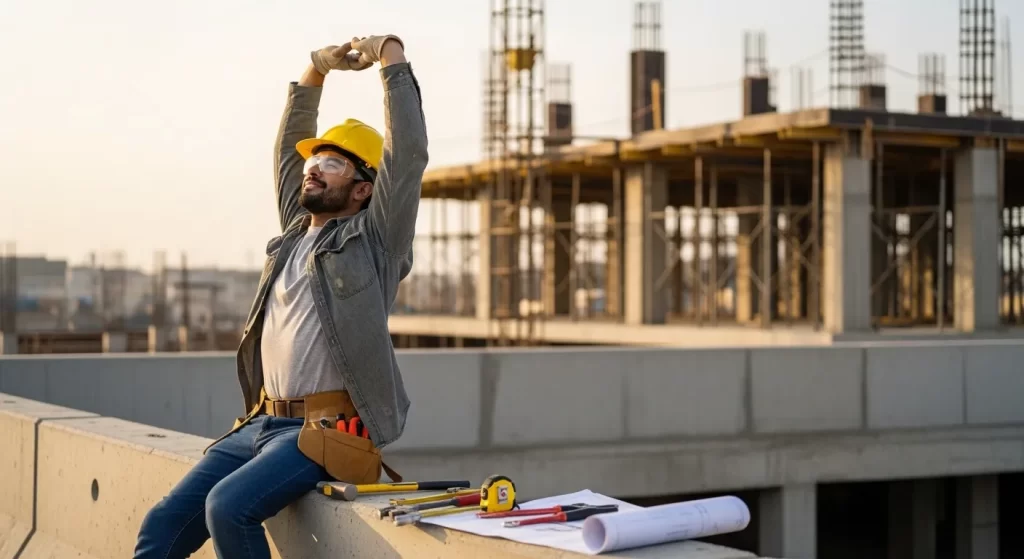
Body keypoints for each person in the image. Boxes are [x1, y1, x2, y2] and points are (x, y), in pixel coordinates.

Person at [134, 33, 427, 558]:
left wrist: (389, 53)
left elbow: (407, 154)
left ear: (363, 189)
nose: (313, 167)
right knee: (161, 527)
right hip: (261, 423)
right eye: (314, 161)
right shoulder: (294, 234)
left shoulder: (375, 242)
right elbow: (287, 148)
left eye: (332, 163)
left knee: (229, 506)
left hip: (326, 430)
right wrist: (316, 71)